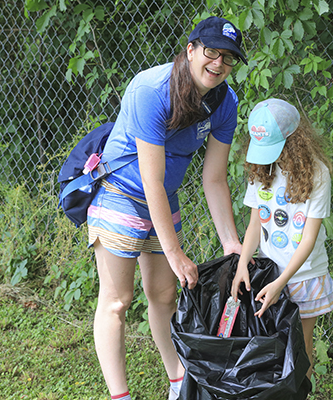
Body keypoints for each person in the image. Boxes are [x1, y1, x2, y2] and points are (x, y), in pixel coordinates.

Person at [86, 16, 247, 400]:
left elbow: (214, 179)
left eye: (228, 58)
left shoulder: (226, 102)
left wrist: (232, 243)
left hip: (162, 199)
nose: (218, 64)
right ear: (190, 50)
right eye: (211, 52)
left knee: (163, 295)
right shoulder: (151, 89)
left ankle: (179, 386)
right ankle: (120, 396)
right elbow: (149, 179)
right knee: (117, 300)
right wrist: (175, 252)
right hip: (121, 193)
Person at [230, 98, 333, 379]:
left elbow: (309, 238)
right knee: (270, 345)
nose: (269, 157)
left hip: (303, 275)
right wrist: (243, 264)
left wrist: (283, 282)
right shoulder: (261, 168)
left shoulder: (318, 174)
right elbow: (255, 222)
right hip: (269, 272)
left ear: (294, 139)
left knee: (300, 347)